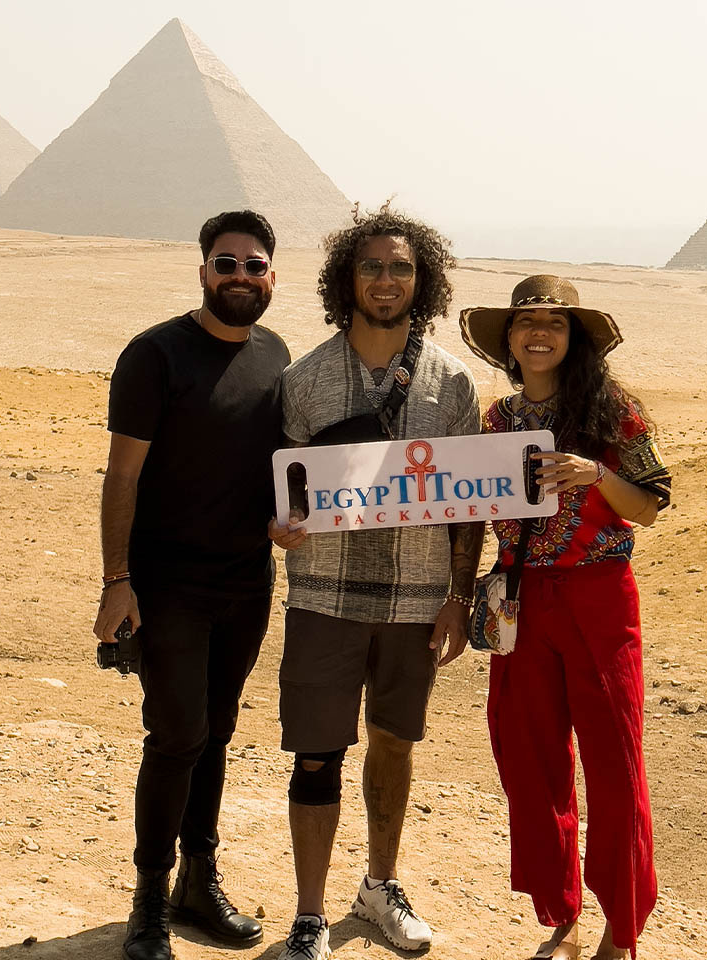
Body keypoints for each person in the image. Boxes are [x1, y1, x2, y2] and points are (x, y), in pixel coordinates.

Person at [268, 207, 483, 960]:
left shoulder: (451, 384)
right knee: (317, 753)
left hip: (414, 598)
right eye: (371, 267)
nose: (385, 281)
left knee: (394, 744)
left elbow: (471, 504)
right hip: (323, 593)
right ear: (345, 279)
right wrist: (282, 523)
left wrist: (459, 597)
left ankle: (381, 886)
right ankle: (308, 913)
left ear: (421, 281)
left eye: (400, 268)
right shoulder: (305, 381)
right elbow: (286, 491)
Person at [94, 210, 291, 960]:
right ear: (202, 270)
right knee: (175, 735)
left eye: (254, 265)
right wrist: (118, 581)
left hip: (247, 579)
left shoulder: (276, 354)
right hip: (168, 583)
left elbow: (279, 467)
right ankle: (149, 899)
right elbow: (123, 473)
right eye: (227, 263)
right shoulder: (154, 354)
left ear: (273, 276)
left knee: (216, 730)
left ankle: (198, 884)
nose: (240, 275)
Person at [459, 275, 670, 959]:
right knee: (530, 759)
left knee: (614, 762)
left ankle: (622, 928)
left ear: (573, 337)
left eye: (554, 322)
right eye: (526, 324)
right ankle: (563, 914)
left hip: (598, 600)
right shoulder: (495, 423)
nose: (539, 334)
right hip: (522, 600)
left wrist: (595, 475)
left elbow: (650, 504)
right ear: (510, 342)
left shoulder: (614, 414)